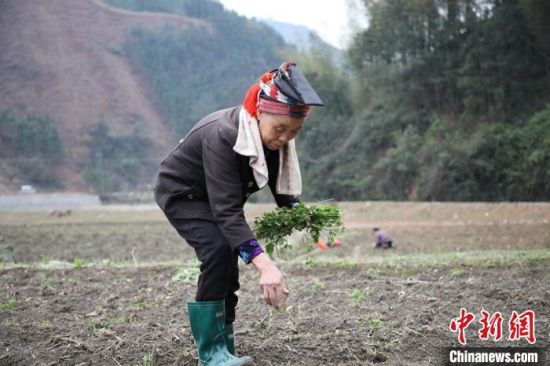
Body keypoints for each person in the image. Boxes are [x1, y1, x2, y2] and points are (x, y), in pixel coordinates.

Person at [154, 62, 324, 366]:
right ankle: (210, 353)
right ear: (260, 113)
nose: (284, 138)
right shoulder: (225, 135)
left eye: (293, 132)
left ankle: (224, 345)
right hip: (185, 194)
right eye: (280, 129)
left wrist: (302, 215)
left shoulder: (271, 140)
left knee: (228, 255)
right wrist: (266, 266)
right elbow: (228, 214)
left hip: (216, 199)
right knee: (218, 249)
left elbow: (280, 186)